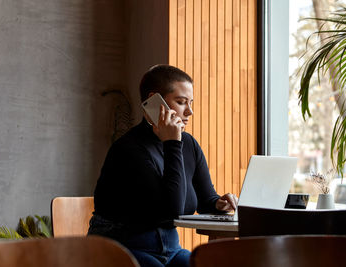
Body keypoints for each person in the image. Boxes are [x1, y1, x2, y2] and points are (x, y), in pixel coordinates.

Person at [88, 64, 238, 267]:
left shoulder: (189, 145)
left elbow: (205, 200)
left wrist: (219, 203)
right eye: (181, 102)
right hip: (121, 249)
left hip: (170, 251)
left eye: (190, 103)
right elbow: (171, 210)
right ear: (155, 101)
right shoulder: (128, 149)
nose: (190, 111)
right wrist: (172, 143)